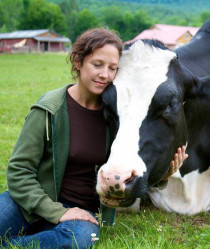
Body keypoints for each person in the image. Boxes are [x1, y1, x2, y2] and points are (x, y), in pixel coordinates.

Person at [0, 28, 188, 249]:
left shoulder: (120, 116)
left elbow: (130, 167)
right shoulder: (49, 108)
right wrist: (58, 212)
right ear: (78, 62)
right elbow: (18, 172)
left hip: (81, 212)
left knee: (80, 240)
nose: (105, 74)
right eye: (97, 65)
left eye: (112, 68)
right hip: (31, 201)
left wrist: (164, 175)